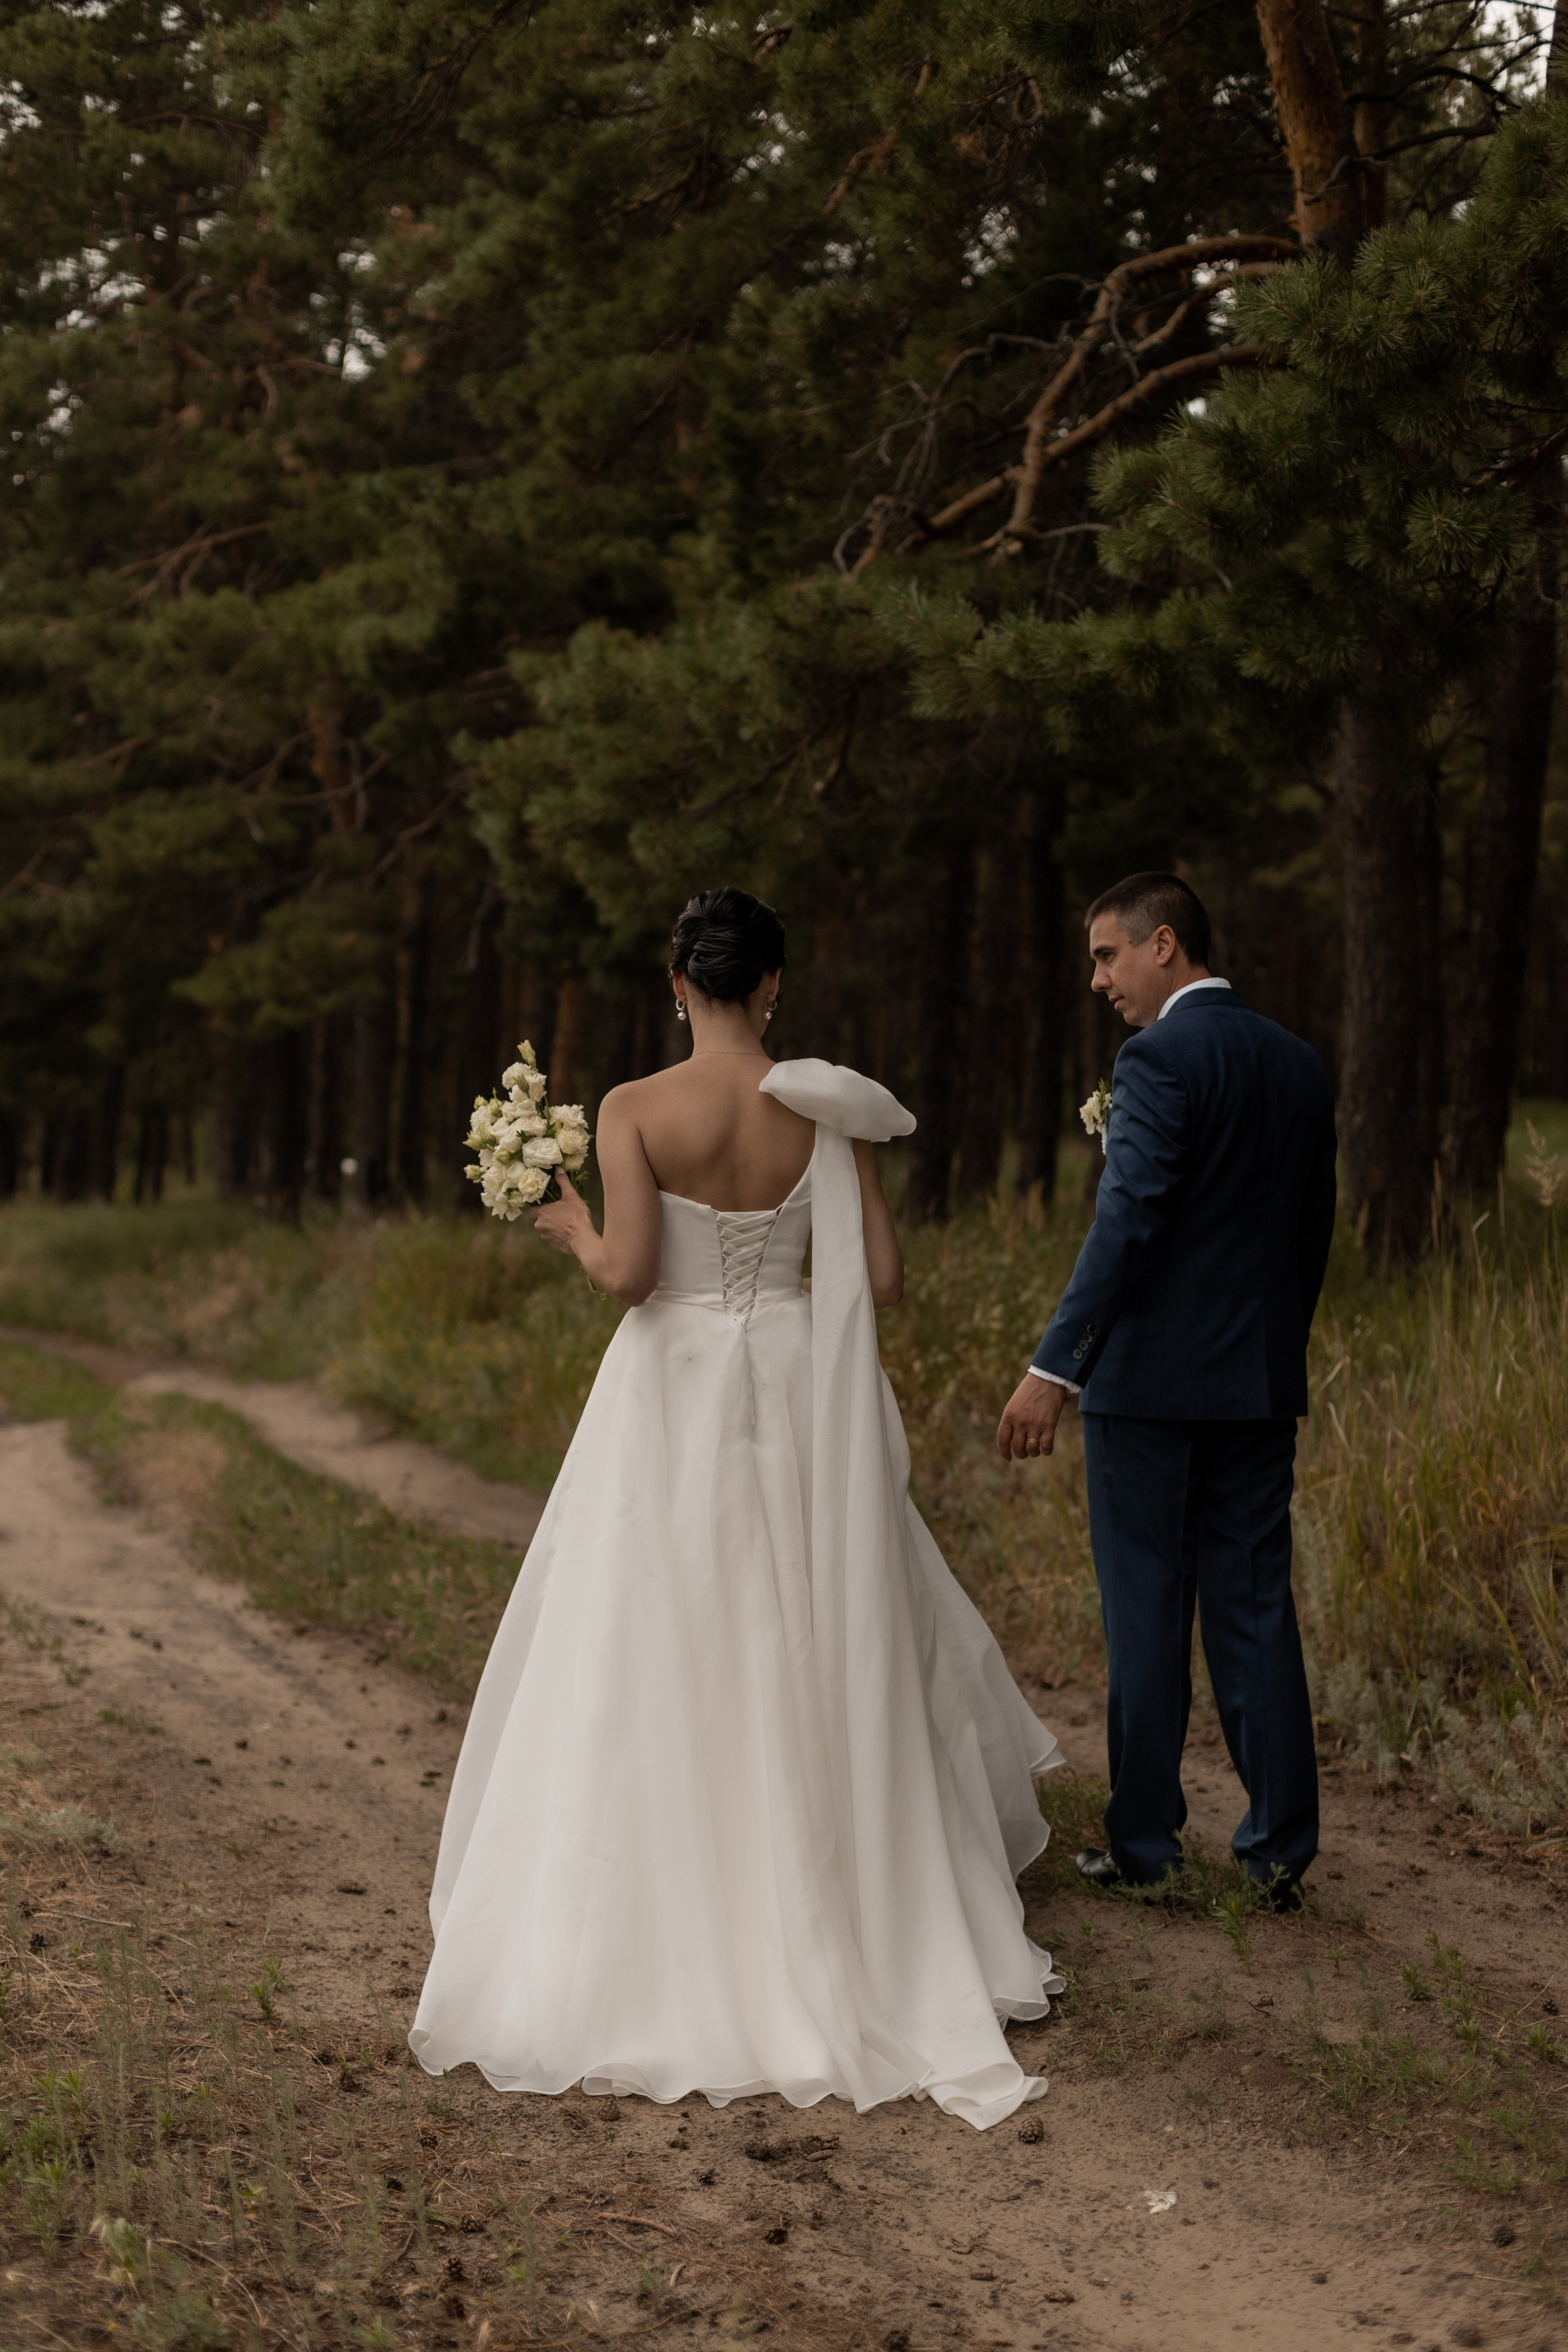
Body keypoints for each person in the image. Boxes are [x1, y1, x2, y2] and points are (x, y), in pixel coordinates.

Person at [410, 886, 1065, 2130]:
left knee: (662, 1627)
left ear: (677, 987)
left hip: (673, 1386)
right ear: (773, 985)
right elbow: (875, 1274)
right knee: (817, 1620)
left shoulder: (630, 1109)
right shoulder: (819, 1106)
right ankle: (848, 1889)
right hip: (794, 1389)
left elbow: (632, 1275)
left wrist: (560, 1223)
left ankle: (674, 1898)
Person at [995, 873, 1337, 1904]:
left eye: (1107, 954)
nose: (1097, 979)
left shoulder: (1157, 1058)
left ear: (1165, 944)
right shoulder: (1298, 1062)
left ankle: (1144, 1847)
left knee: (1146, 1606)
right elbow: (1308, 1233)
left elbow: (1126, 1224)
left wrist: (1054, 1369)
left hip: (1148, 1389)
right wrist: (1274, 1348)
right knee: (1253, 1608)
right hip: (1257, 1381)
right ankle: (1279, 1850)